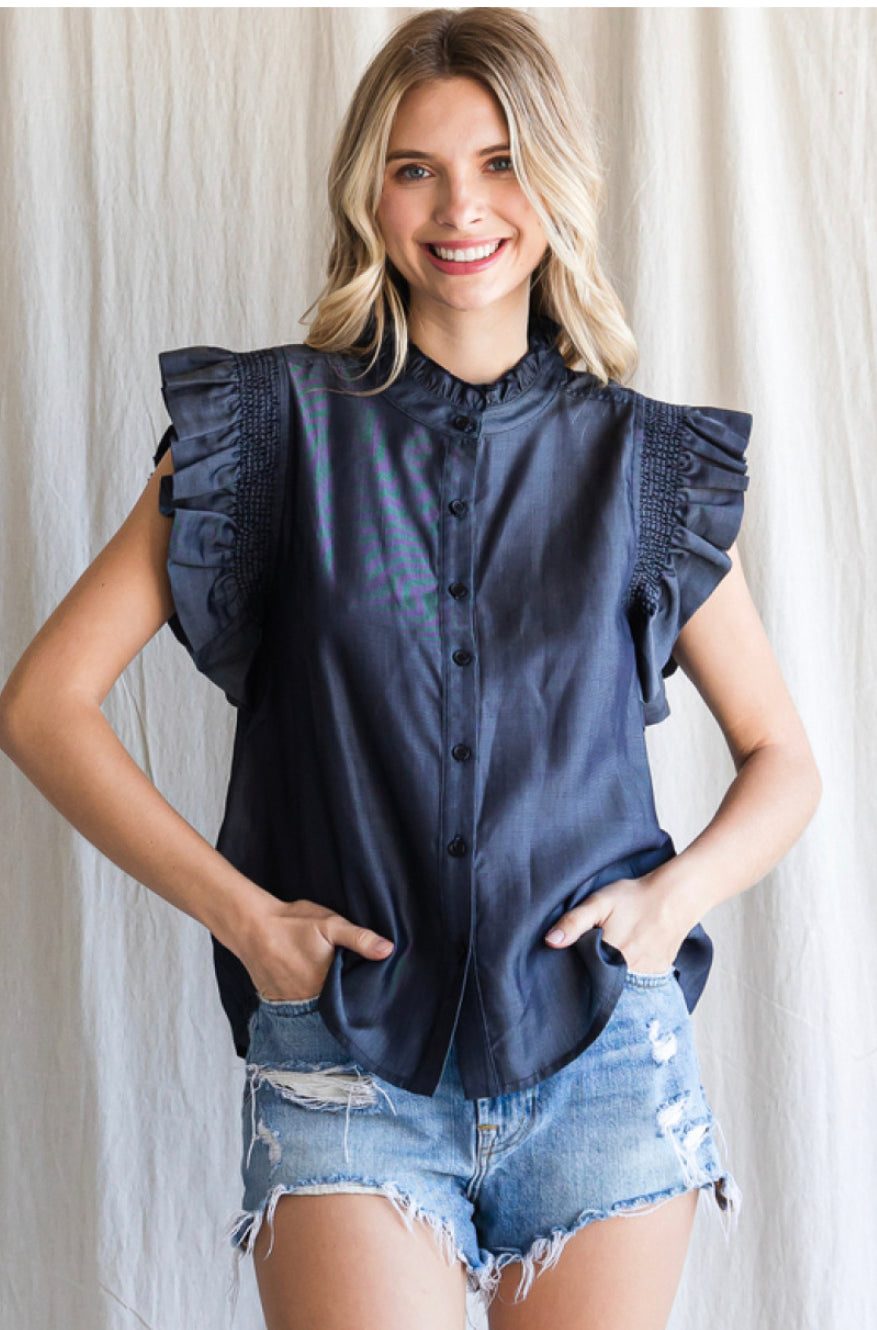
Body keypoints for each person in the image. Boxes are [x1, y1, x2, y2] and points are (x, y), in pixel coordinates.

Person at [0, 8, 822, 1330]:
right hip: (343, 1069)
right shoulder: (264, 434)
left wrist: (669, 906)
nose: (459, 209)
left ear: (553, 179)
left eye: (498, 162)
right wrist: (248, 920)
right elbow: (44, 704)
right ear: (366, 194)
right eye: (413, 167)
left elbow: (783, 759)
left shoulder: (641, 465)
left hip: (602, 1063)